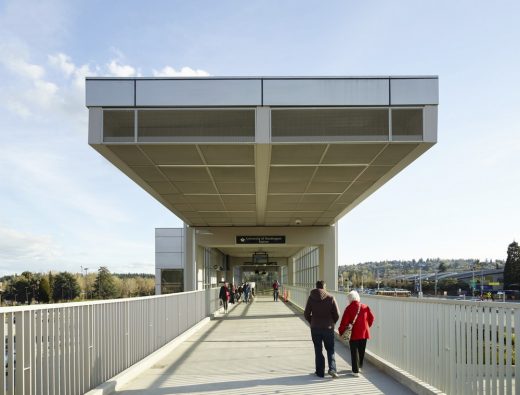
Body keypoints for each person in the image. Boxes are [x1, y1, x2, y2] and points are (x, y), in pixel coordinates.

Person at [304, 280, 340, 378]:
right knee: (330, 349)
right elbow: (337, 314)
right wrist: (332, 323)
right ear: (324, 287)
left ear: (316, 287)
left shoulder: (311, 298)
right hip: (328, 328)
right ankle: (332, 369)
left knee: (318, 349)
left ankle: (320, 372)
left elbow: (306, 314)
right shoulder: (331, 297)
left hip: (315, 328)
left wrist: (312, 321)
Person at [338, 290, 375, 377]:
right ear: (358, 298)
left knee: (354, 352)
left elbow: (344, 322)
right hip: (364, 333)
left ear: (349, 299)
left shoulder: (349, 308)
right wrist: (367, 326)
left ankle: (355, 371)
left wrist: (341, 331)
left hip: (354, 334)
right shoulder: (365, 307)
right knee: (362, 350)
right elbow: (372, 318)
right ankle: (360, 366)